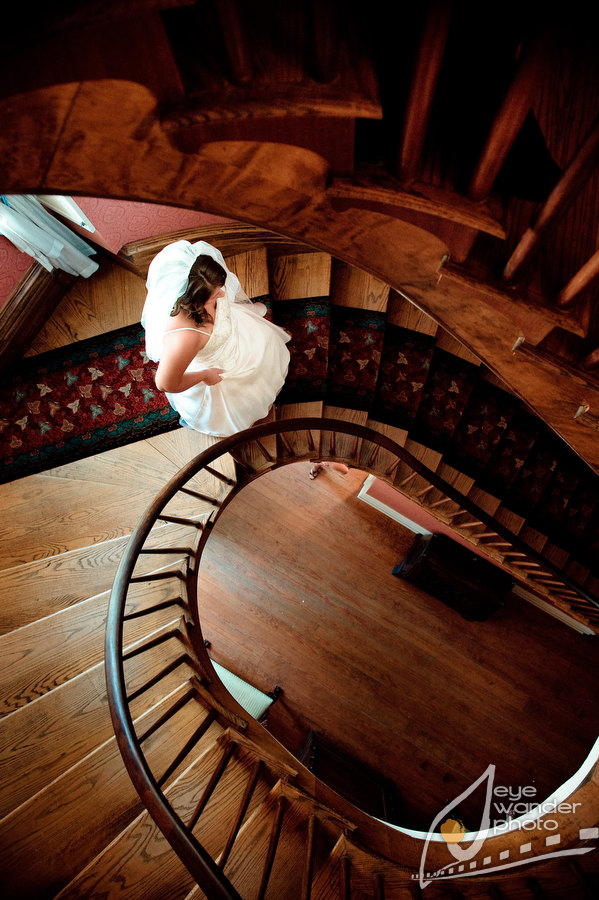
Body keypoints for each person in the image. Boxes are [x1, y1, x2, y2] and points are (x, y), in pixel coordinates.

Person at [142, 239, 291, 437]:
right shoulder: (184, 337)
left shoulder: (201, 276)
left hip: (236, 336)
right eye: (213, 296)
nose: (222, 293)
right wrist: (205, 375)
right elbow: (165, 383)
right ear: (193, 299)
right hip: (219, 368)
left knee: (266, 349)